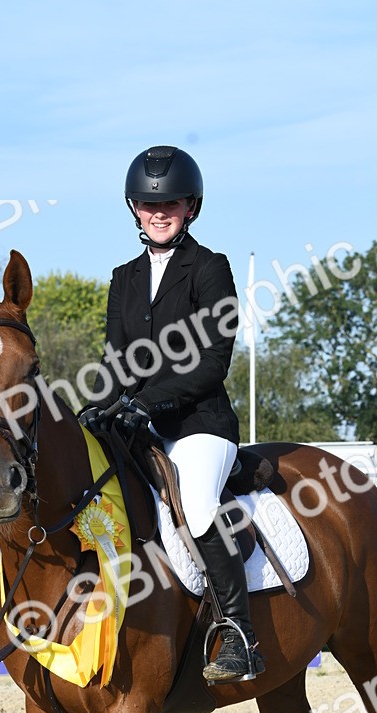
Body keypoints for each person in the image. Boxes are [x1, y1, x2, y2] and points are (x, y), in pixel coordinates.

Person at [79, 145, 263, 682]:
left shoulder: (210, 269)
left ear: (190, 208)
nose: (158, 213)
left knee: (199, 504)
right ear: (134, 208)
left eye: (171, 204)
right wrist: (99, 408)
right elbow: (116, 361)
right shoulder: (124, 276)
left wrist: (150, 402)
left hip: (200, 424)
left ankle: (238, 633)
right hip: (136, 422)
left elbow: (214, 362)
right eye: (147, 204)